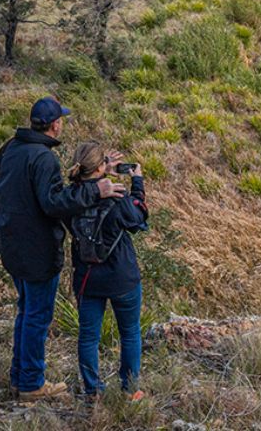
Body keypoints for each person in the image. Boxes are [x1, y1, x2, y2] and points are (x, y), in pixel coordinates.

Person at [0, 97, 126, 401]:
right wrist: (97, 189)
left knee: (26, 311)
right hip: (37, 250)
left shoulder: (10, 148)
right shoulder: (44, 158)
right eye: (61, 119)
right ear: (55, 125)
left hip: (13, 244)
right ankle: (31, 385)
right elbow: (53, 203)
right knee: (37, 316)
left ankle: (20, 378)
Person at [66, 142, 149, 401]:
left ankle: (93, 391)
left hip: (87, 277)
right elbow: (138, 219)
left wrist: (101, 172)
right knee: (130, 333)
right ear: (100, 167)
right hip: (121, 276)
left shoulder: (70, 197)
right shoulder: (116, 195)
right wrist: (137, 183)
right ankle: (129, 390)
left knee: (88, 337)